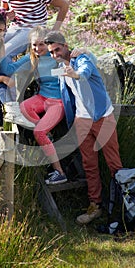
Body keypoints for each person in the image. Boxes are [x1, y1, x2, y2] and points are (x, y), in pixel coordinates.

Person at [44, 31, 123, 224]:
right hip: (82, 121)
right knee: (89, 164)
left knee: (114, 163)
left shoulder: (82, 59)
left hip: (102, 118)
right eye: (52, 52)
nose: (55, 55)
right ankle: (95, 205)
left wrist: (76, 73)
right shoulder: (60, 67)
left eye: (58, 50)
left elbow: (86, 70)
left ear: (66, 45)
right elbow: (43, 72)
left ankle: (123, 205)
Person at [0, 26, 68, 184]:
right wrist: (3, 50)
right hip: (42, 97)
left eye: (41, 44)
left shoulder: (55, 55)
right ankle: (46, 136)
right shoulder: (33, 58)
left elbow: (69, 69)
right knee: (23, 107)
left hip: (57, 102)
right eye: (34, 45)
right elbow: (9, 69)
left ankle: (60, 172)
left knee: (39, 132)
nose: (37, 48)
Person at [0, 0, 69, 59]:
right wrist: (7, 14)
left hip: (33, 29)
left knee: (4, 52)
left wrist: (54, 31)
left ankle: (4, 73)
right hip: (15, 26)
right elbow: (3, 13)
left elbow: (64, 4)